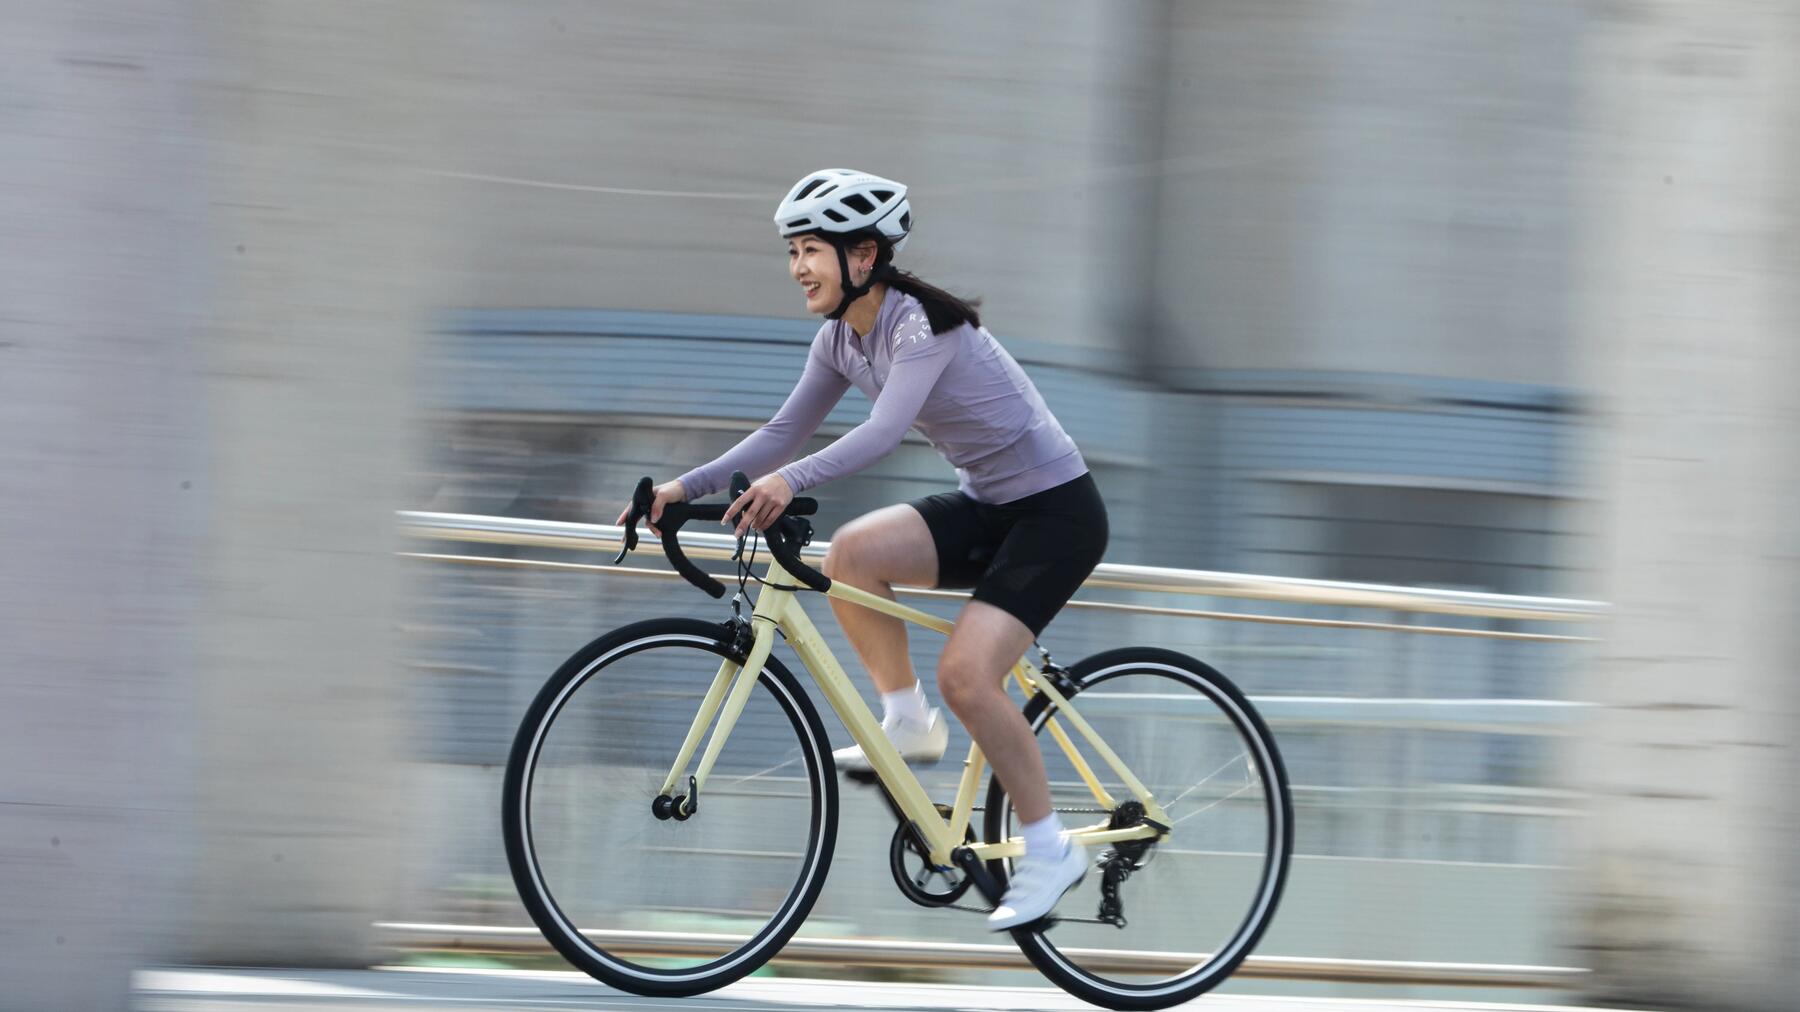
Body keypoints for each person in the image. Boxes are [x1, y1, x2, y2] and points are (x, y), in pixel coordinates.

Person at [618, 169, 1109, 930]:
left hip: (1057, 514)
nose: (798, 269)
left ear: (864, 255)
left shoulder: (923, 327)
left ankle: (1050, 850)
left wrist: (785, 483)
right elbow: (782, 432)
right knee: (853, 552)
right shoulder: (838, 340)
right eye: (793, 252)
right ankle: (906, 722)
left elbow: (880, 434)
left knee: (968, 676)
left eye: (811, 249)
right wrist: (682, 488)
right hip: (989, 507)